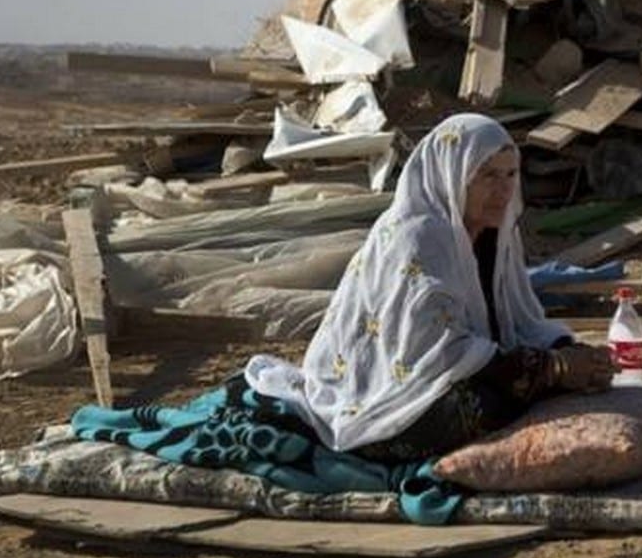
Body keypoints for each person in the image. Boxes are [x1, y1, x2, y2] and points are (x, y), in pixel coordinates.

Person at [245, 113, 617, 462]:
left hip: (460, 369)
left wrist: (569, 352)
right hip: (390, 388)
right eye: (487, 175)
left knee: (530, 386)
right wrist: (553, 369)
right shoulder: (418, 237)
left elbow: (519, 317)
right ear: (452, 175)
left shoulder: (497, 234)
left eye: (510, 175)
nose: (503, 191)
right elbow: (436, 351)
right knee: (479, 405)